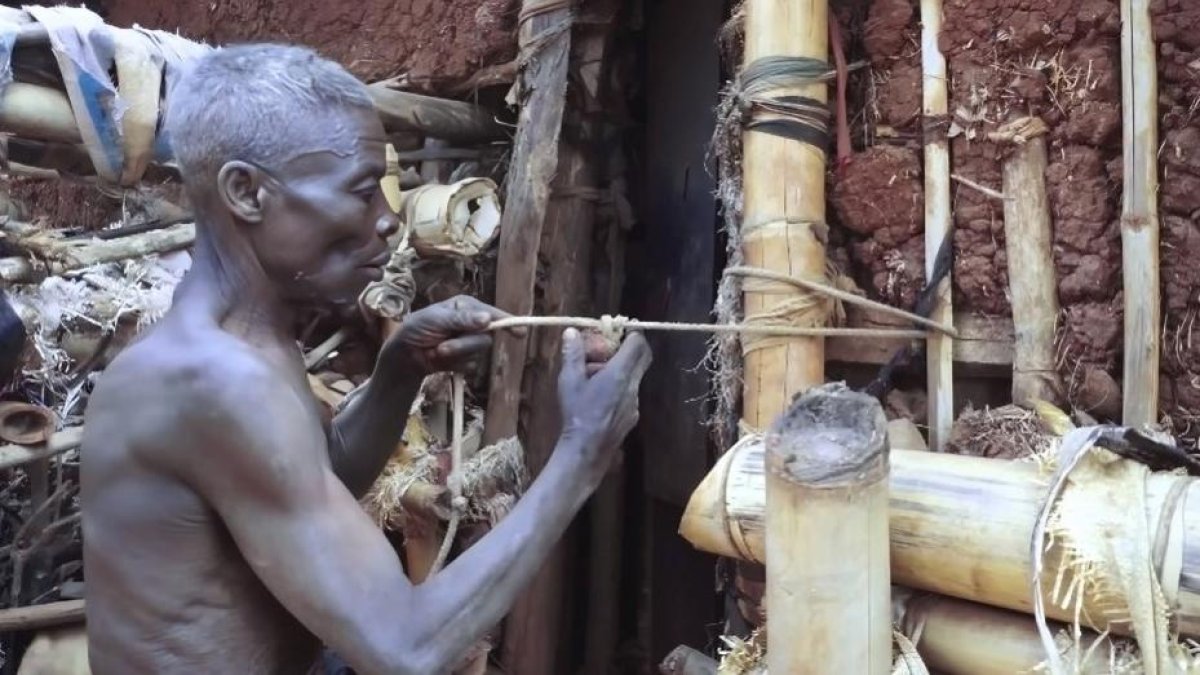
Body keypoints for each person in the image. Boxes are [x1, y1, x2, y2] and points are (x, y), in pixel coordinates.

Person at [79, 43, 652, 675]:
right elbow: (404, 648)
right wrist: (580, 454)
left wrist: (401, 368)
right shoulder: (213, 381)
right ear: (246, 192)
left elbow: (311, 482)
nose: (389, 220)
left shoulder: (248, 345)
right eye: (360, 193)